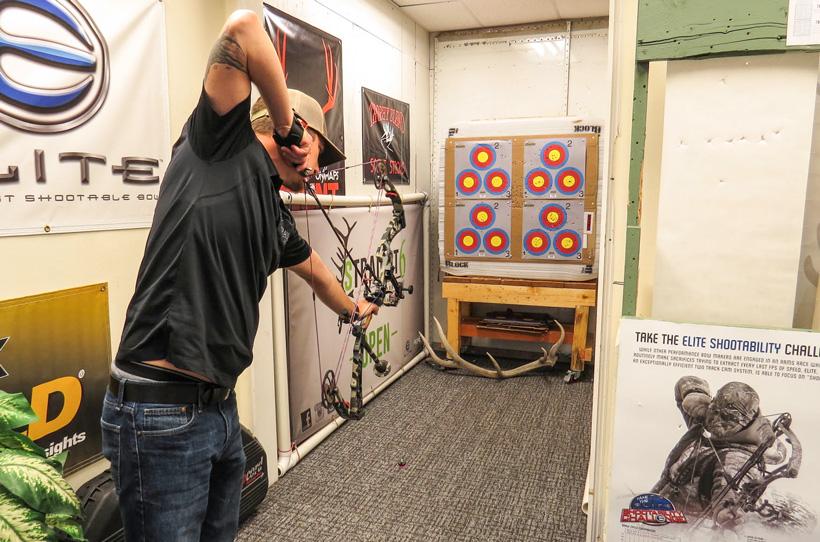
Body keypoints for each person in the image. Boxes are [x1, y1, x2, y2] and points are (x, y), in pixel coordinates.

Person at [100, 10, 374, 541]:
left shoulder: (274, 212)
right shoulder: (218, 147)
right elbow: (244, 27)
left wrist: (352, 309)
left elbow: (315, 272)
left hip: (217, 411)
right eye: (320, 150)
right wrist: (289, 121)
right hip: (161, 411)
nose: (321, 169)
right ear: (301, 134)